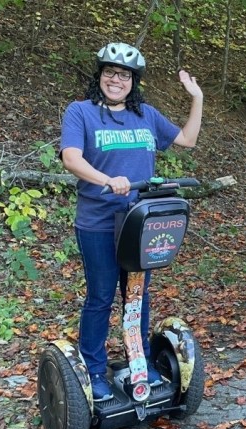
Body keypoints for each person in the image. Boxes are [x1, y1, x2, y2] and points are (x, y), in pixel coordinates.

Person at [60, 42, 203, 401]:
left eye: (124, 75)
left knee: (136, 296)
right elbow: (71, 158)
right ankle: (94, 369)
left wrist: (196, 97)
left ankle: (138, 362)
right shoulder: (81, 112)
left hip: (141, 223)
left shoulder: (146, 115)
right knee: (101, 295)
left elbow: (187, 139)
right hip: (98, 221)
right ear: (100, 76)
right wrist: (107, 180)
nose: (116, 80)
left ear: (133, 81)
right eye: (110, 72)